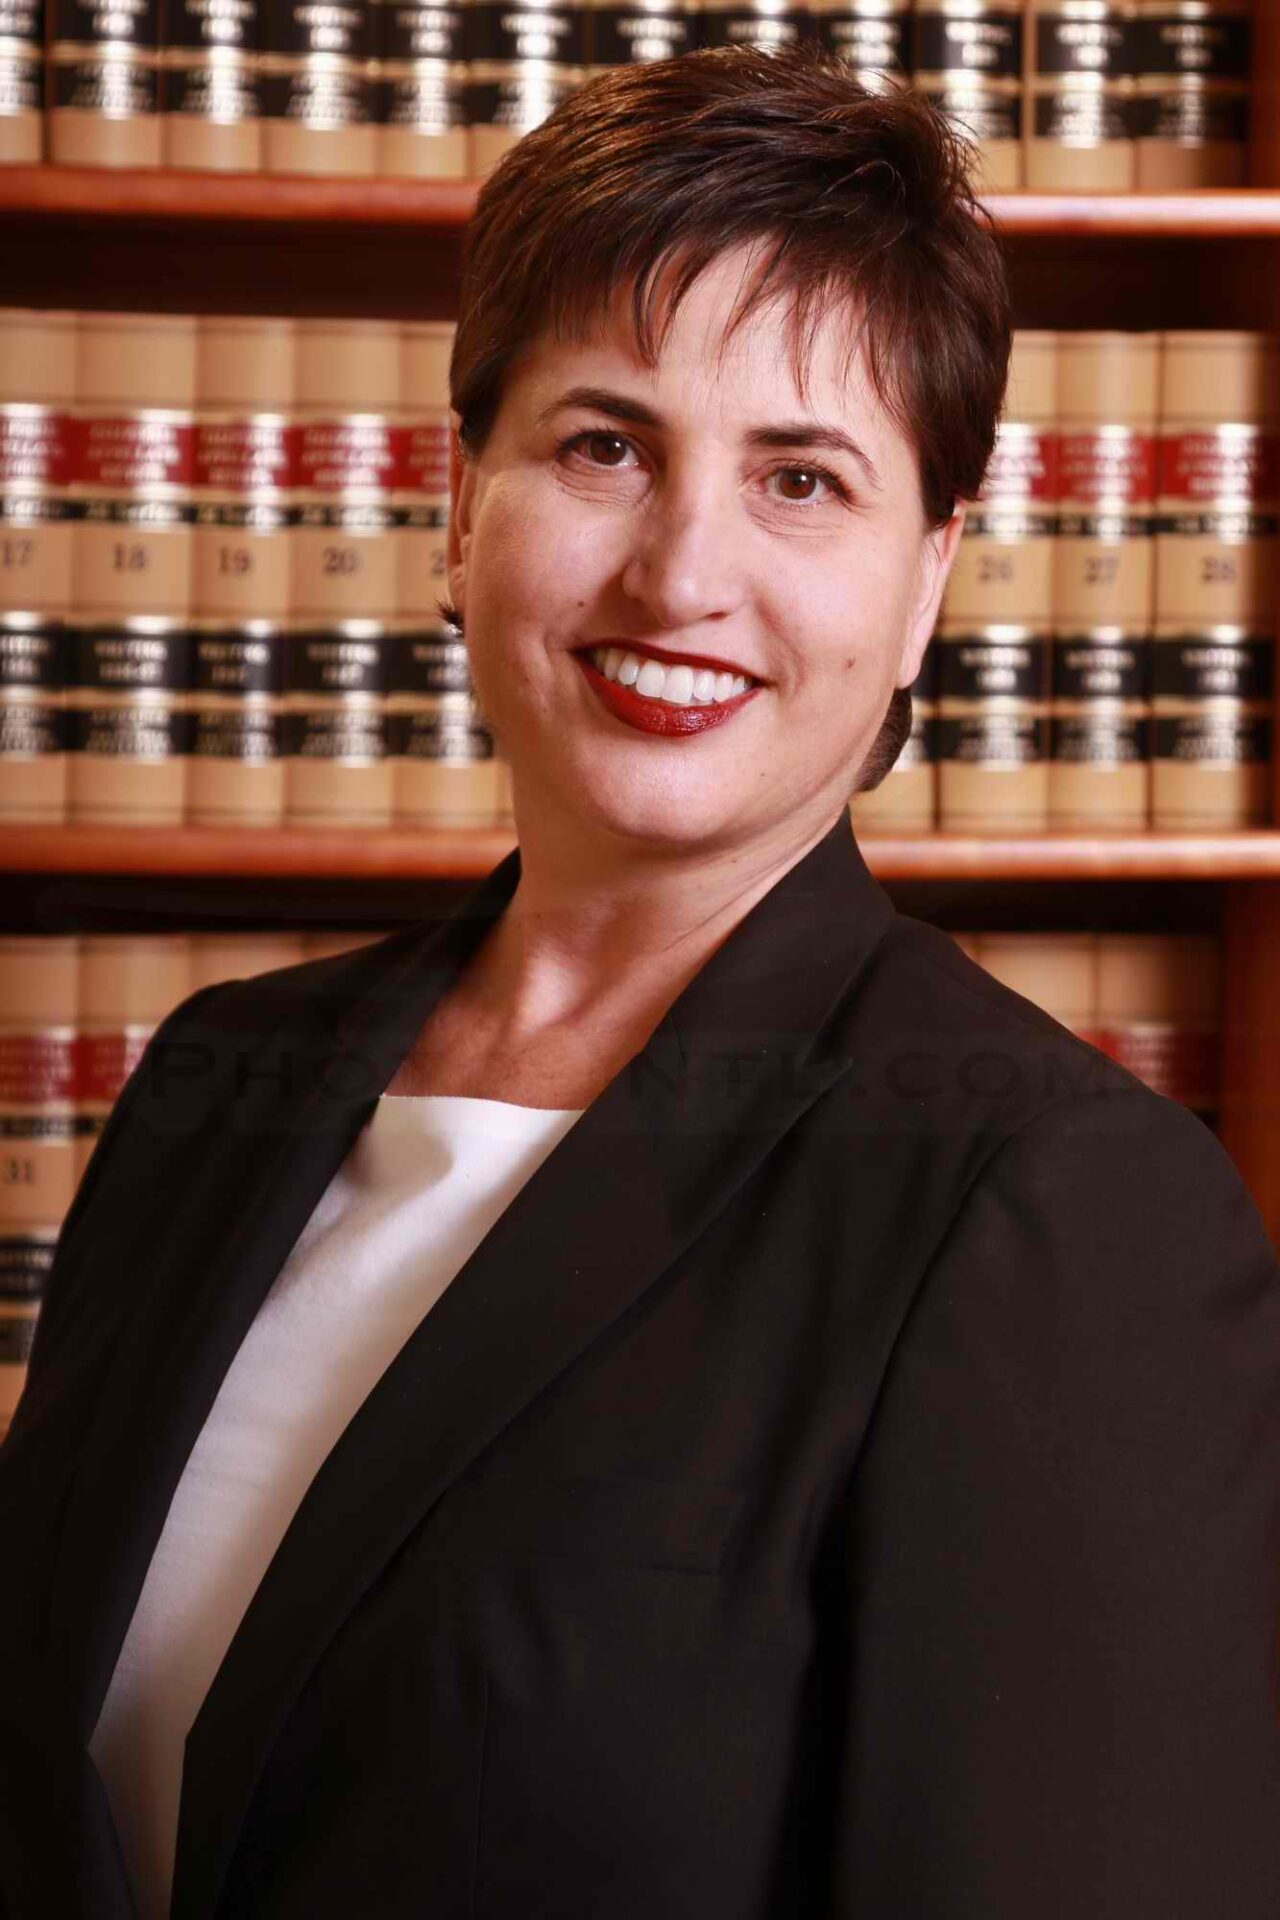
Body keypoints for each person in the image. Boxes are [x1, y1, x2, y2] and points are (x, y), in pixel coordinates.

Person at [4, 42, 1280, 1920]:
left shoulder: (1057, 1205)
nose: (684, 570)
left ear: (926, 583)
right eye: (604, 443)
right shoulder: (217, 1076)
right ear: (463, 506)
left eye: (802, 479)